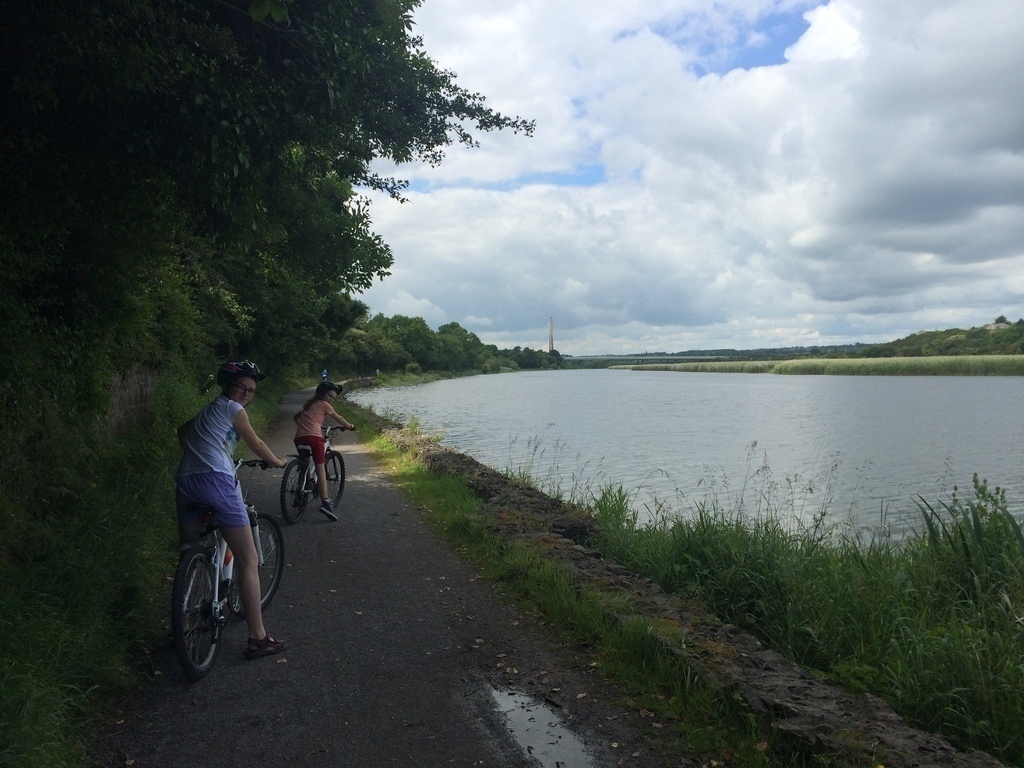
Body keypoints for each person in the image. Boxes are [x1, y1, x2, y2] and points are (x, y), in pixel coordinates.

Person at [176, 360, 289, 660]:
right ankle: (258, 638)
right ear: (226, 386)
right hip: (217, 481)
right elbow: (256, 442)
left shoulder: (209, 411)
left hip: (187, 480)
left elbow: (182, 432)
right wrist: (278, 462)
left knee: (191, 550)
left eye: (251, 390)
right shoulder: (233, 408)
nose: (246, 394)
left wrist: (198, 457)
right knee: (249, 560)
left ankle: (186, 617)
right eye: (241, 387)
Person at [293, 380, 354, 522]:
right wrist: (349, 426)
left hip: (299, 438)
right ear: (322, 394)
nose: (331, 400)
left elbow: (296, 418)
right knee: (320, 467)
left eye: (333, 398)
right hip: (314, 439)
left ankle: (299, 493)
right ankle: (325, 502)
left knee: (304, 465)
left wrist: (307, 426)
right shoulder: (324, 405)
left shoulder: (308, 405)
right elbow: (339, 418)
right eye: (329, 396)